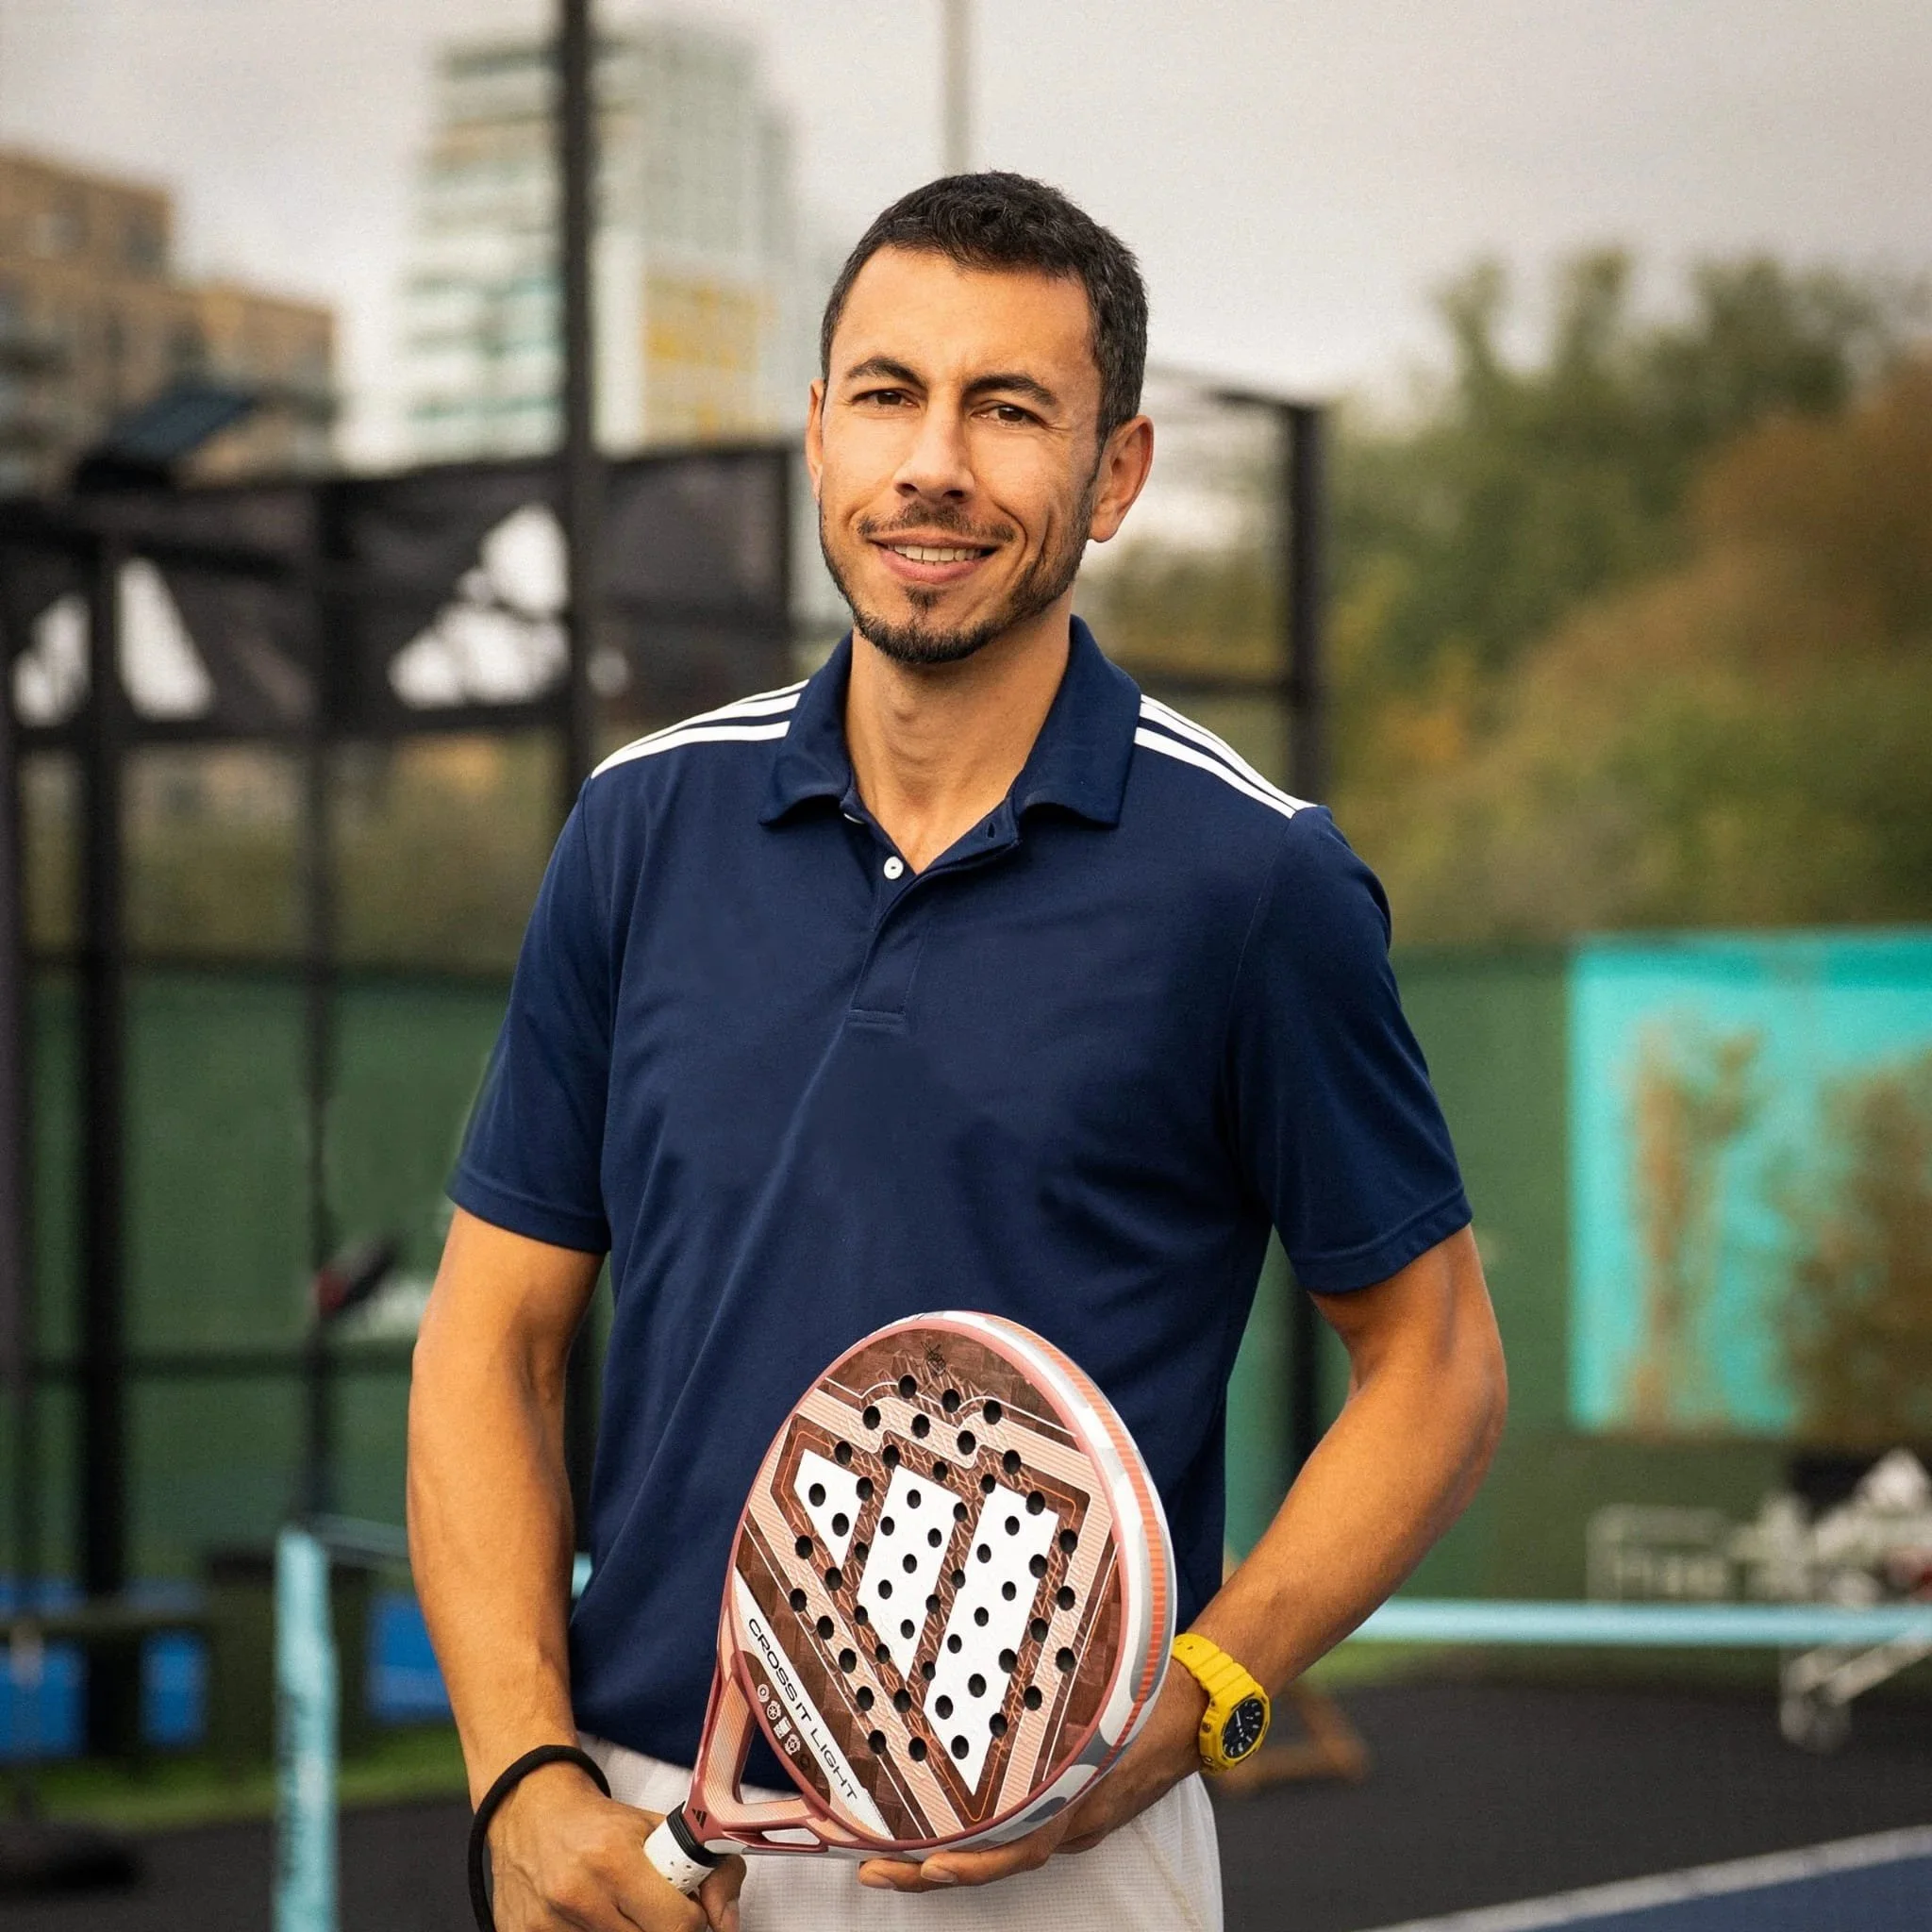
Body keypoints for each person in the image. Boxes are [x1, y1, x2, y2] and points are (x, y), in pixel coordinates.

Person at [408, 172, 1507, 1932]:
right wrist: (522, 1782)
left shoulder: (1253, 882)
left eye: (1010, 410)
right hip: (632, 1837)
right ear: (818, 440)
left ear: (1117, 475)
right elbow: (489, 1342)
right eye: (887, 394)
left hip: (1049, 1860)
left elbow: (1439, 1362)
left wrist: (1203, 1699)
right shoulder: (639, 826)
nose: (935, 463)